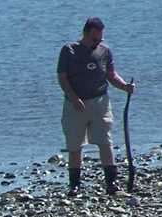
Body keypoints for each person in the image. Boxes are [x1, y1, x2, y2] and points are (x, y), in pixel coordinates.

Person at [57, 17, 135, 195]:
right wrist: (74, 98)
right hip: (75, 105)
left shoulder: (104, 51)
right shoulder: (69, 50)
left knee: (105, 142)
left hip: (100, 102)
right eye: (94, 39)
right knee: (75, 145)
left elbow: (111, 75)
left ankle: (112, 183)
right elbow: (62, 78)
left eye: (100, 39)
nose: (97, 42)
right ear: (86, 33)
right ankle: (75, 185)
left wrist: (125, 87)